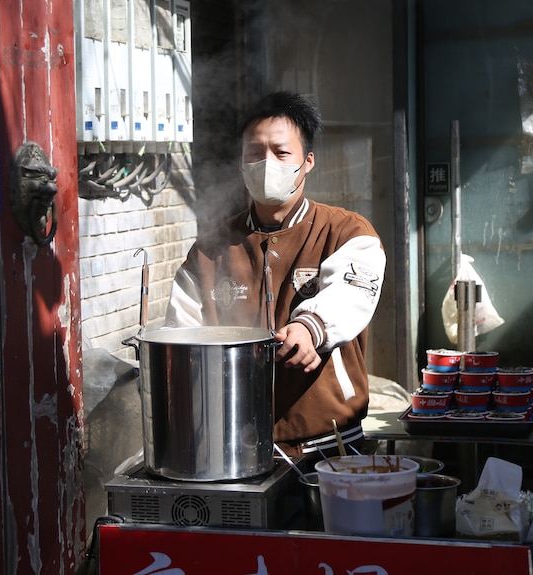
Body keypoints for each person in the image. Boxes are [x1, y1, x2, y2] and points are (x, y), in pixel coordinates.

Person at [165, 90, 386, 460]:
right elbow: (180, 336)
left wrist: (310, 327)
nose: (266, 163)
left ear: (308, 161)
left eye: (281, 153)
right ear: (240, 164)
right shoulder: (208, 252)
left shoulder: (347, 233)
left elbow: (350, 296)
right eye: (254, 153)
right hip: (234, 446)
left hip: (329, 446)